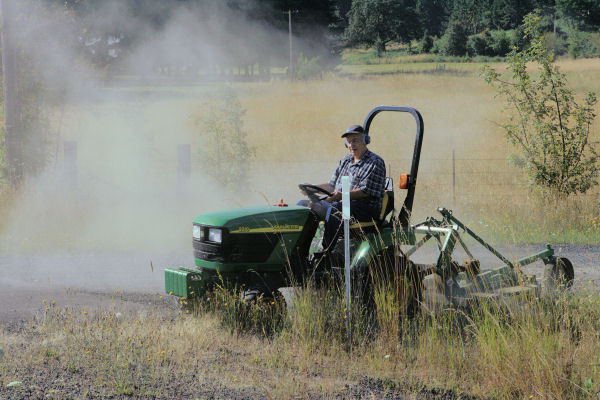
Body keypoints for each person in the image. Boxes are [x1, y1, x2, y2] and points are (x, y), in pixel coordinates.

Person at [300, 124, 386, 250]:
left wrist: (340, 196)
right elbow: (331, 185)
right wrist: (312, 188)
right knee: (304, 205)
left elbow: (366, 191)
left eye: (355, 140)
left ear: (365, 141)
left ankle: (325, 254)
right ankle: (302, 251)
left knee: (334, 211)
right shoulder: (346, 160)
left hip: (365, 209)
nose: (351, 144)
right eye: (349, 141)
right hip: (344, 203)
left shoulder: (375, 162)